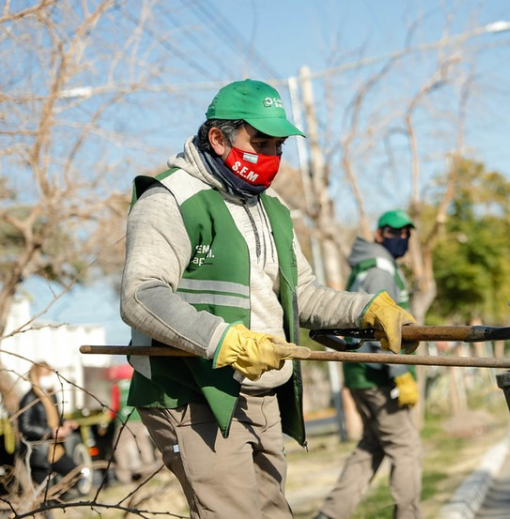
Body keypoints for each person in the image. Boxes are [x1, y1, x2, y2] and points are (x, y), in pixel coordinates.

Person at [119, 79, 417, 519]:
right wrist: (225, 340)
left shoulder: (271, 205)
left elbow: (305, 295)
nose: (271, 157)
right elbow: (140, 297)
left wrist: (366, 309)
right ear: (218, 138)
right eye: (260, 142)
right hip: (192, 394)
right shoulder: (169, 200)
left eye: (278, 145)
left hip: (262, 395)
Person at [316, 210, 423, 519]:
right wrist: (400, 373)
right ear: (379, 234)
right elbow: (380, 331)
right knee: (406, 448)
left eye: (406, 234)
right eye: (394, 232)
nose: (400, 239)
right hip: (377, 373)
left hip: (362, 371)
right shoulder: (380, 269)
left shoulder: (371, 264)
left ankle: (330, 514)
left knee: (371, 446)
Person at [18, 362, 84, 492]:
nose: (48, 378)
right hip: (40, 452)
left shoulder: (51, 395)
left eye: (49, 374)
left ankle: (60, 497)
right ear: (36, 376)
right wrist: (50, 432)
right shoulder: (29, 398)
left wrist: (65, 422)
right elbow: (25, 427)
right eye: (45, 375)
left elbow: (54, 418)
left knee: (75, 473)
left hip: (56, 450)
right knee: (43, 493)